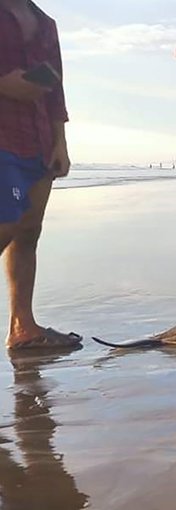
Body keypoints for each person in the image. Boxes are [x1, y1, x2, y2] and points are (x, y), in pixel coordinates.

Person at [0, 0, 82, 350]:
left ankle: (23, 326)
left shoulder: (46, 23)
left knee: (29, 230)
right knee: (7, 224)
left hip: (38, 138)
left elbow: (55, 90)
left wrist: (60, 142)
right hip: (2, 137)